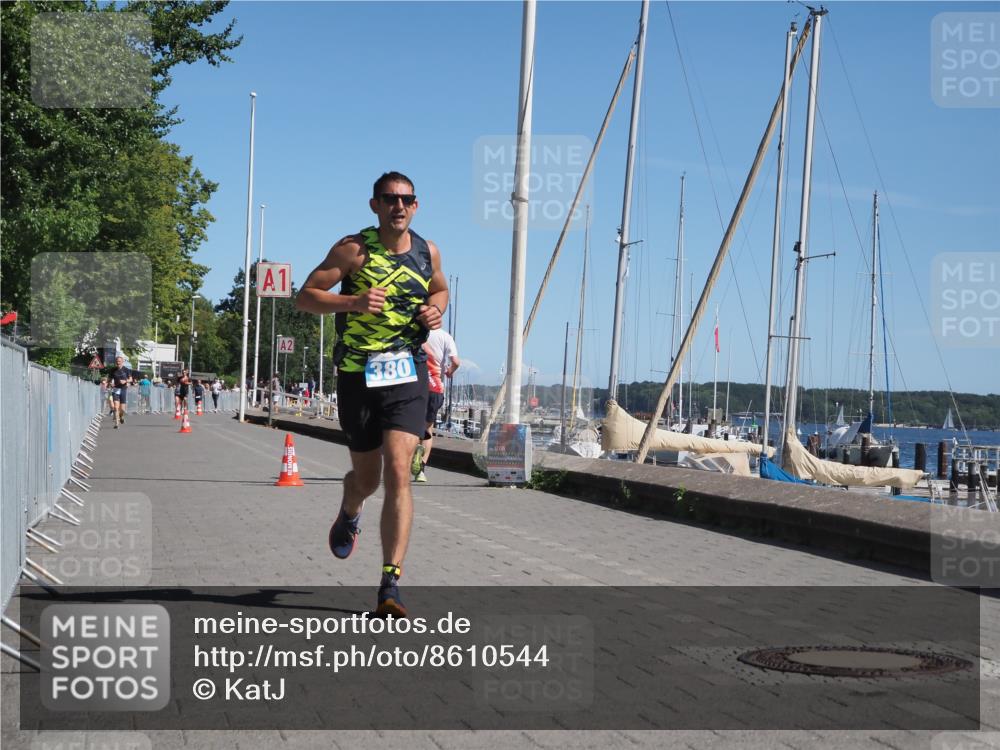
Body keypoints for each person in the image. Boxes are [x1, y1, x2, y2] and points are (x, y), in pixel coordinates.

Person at [296, 171, 447, 618]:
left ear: (416, 206)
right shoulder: (353, 250)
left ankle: (389, 585)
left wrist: (434, 310)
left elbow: (439, 287)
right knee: (368, 479)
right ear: (375, 205)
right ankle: (350, 506)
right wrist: (353, 303)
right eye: (389, 199)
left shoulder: (427, 251)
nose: (398, 206)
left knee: (400, 470)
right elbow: (305, 297)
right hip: (357, 374)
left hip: (407, 371)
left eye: (407, 199)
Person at [411, 328, 460, 482]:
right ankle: (421, 471)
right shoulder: (446, 337)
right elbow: (456, 362)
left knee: (409, 427)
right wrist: (450, 372)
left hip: (415, 382)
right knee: (428, 429)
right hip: (435, 387)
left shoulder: (414, 331)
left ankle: (411, 453)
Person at [108, 356, 131, 428]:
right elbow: (109, 379)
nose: (118, 363)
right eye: (117, 361)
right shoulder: (113, 370)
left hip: (123, 389)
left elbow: (130, 379)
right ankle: (116, 423)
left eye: (119, 361)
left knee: (122, 409)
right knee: (116, 407)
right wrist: (110, 383)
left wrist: (125, 381)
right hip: (116, 389)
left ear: (122, 362)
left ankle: (121, 417)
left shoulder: (126, 370)